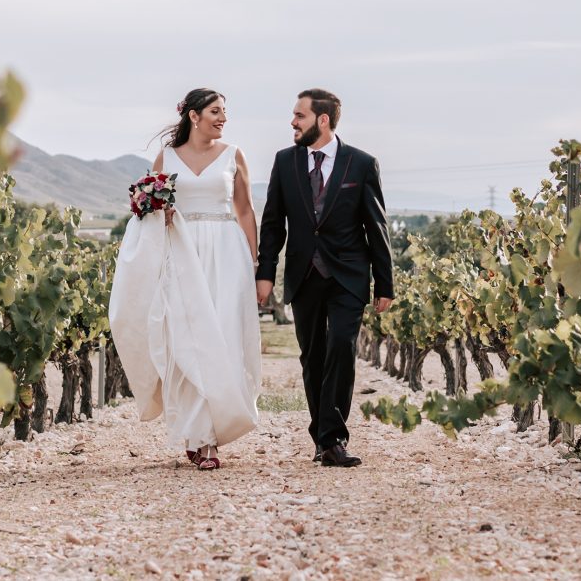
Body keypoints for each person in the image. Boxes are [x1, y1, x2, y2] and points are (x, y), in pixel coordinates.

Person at [109, 88, 261, 470]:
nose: (222, 118)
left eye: (224, 111)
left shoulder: (234, 154)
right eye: (215, 111)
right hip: (182, 252)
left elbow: (245, 211)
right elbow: (154, 213)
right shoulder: (167, 157)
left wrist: (253, 263)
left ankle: (210, 438)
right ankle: (198, 434)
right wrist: (156, 214)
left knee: (221, 336)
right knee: (187, 338)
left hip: (227, 254)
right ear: (193, 116)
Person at [256, 88, 393, 467]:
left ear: (322, 120)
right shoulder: (285, 162)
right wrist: (265, 274)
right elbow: (272, 224)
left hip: (348, 275)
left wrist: (385, 284)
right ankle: (322, 435)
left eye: (299, 115)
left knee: (341, 348)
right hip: (304, 274)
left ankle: (333, 438)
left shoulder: (361, 163)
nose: (292, 122)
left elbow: (376, 225)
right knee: (312, 356)